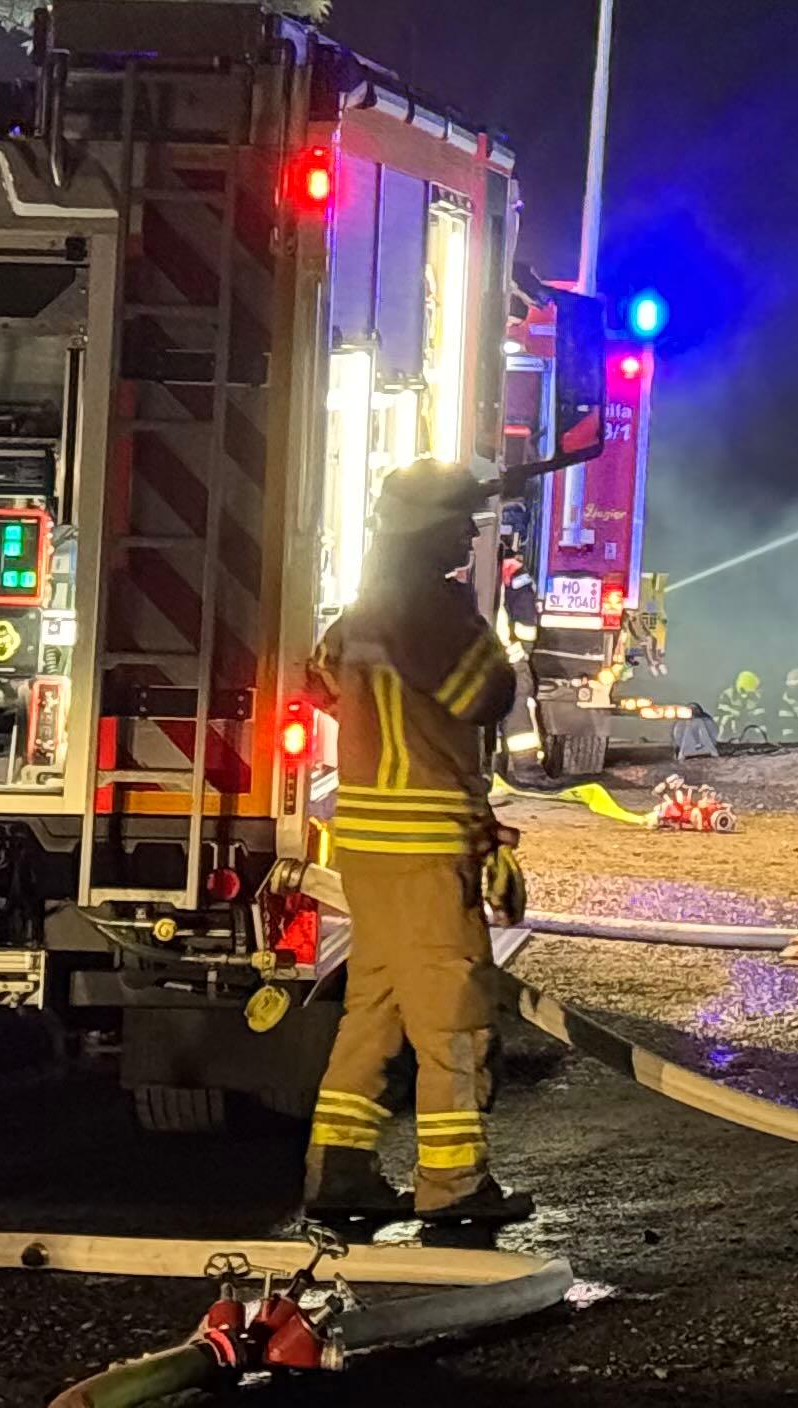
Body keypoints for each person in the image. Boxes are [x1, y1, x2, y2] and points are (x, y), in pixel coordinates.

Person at [304, 466, 530, 1233]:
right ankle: (454, 1184)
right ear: (422, 529)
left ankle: (340, 1172)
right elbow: (486, 694)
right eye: (458, 522)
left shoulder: (363, 612)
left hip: (368, 845)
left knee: (375, 1009)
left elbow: (320, 678)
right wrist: (476, 627)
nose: (468, 535)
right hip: (426, 850)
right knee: (453, 1021)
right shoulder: (430, 611)